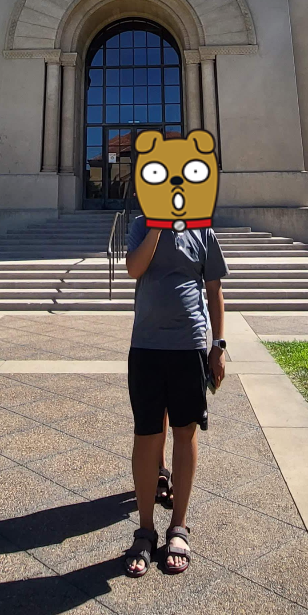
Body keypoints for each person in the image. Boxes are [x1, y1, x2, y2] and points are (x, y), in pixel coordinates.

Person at [122, 209, 228, 576]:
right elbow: (134, 269)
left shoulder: (202, 229)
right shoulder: (139, 225)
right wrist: (156, 226)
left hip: (189, 347)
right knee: (147, 435)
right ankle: (146, 529)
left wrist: (218, 345)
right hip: (148, 347)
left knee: (185, 432)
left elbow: (214, 290)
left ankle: (178, 527)